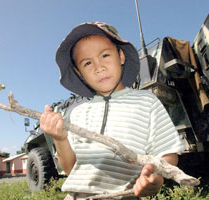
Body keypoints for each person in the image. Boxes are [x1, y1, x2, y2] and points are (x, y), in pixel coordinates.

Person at [40, 22, 185, 199]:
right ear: (79, 73)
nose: (98, 67)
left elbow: (168, 153)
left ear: (121, 56)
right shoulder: (77, 113)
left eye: (105, 55)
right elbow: (71, 169)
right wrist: (60, 138)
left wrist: (154, 177)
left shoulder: (146, 102)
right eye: (87, 63)